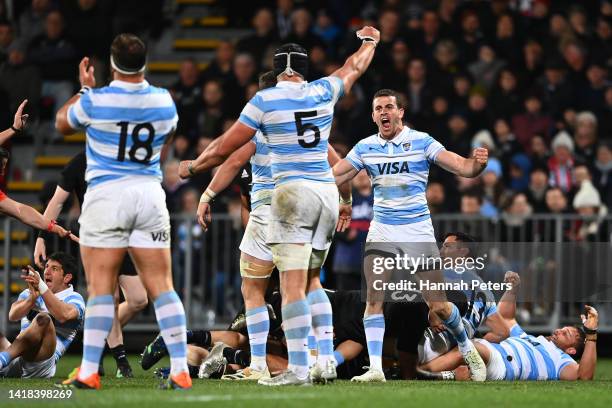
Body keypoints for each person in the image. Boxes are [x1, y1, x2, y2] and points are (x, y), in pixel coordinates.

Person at [177, 27, 380, 385]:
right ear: (303, 69)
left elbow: (226, 147)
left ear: (277, 70)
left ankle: (298, 369)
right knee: (313, 282)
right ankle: (323, 362)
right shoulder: (323, 89)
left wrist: (192, 167)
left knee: (289, 288)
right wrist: (370, 42)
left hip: (291, 197)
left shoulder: (264, 100)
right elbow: (354, 67)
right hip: (325, 194)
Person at [54, 34, 190, 390]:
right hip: (148, 193)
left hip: (107, 196)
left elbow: (61, 122)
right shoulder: (164, 101)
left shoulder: (96, 100)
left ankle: (87, 371)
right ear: (144, 63)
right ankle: (180, 368)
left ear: (111, 64)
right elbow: (167, 140)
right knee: (163, 287)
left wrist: (85, 89)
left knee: (100, 289)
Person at [332, 88, 490, 382]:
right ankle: (376, 370)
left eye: (389, 107)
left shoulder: (421, 142)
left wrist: (478, 164)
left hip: (416, 229)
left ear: (400, 112)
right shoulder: (365, 147)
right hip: (382, 230)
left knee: (438, 305)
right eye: (378, 108)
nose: (383, 112)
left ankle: (467, 347)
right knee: (374, 300)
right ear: (373, 115)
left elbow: (463, 168)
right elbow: (335, 176)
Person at [33, 150, 148, 378]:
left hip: (123, 237)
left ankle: (97, 337)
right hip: (96, 236)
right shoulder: (78, 163)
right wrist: (41, 236)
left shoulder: (122, 156)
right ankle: (121, 360)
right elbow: (56, 202)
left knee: (138, 299)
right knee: (110, 298)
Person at [419, 284, 598, 382]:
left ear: (571, 351)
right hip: (493, 351)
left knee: (468, 346)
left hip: (504, 366)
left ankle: (421, 373)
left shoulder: (562, 360)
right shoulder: (529, 338)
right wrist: (512, 290)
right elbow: (506, 316)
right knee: (462, 342)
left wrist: (591, 334)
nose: (559, 330)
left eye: (566, 334)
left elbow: (584, 376)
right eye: (563, 328)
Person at [0, 253, 84, 379]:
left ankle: (2, 360)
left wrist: (42, 287)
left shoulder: (75, 298)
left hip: (40, 363)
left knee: (43, 319)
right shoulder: (30, 293)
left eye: (54, 269)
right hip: (17, 359)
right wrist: (31, 300)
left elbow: (63, 315)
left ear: (67, 277)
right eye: (46, 267)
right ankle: (4, 362)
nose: (47, 272)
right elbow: (13, 315)